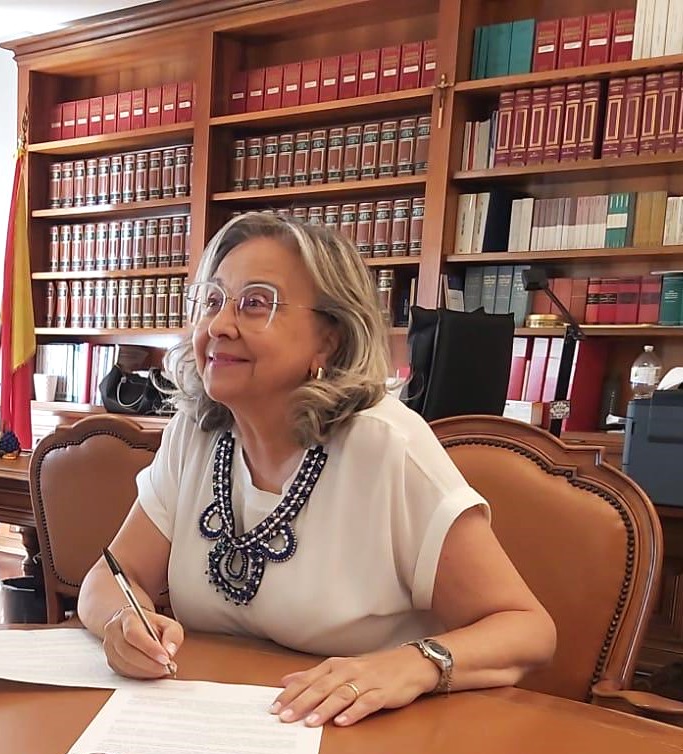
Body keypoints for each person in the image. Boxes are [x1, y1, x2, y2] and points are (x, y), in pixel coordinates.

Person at [78, 212, 555, 727]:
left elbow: (527, 629)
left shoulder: (388, 447)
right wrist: (122, 619)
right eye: (212, 301)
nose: (218, 325)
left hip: (371, 733)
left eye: (255, 303)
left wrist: (411, 665)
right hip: (219, 725)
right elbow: (112, 576)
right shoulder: (194, 434)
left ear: (328, 339)